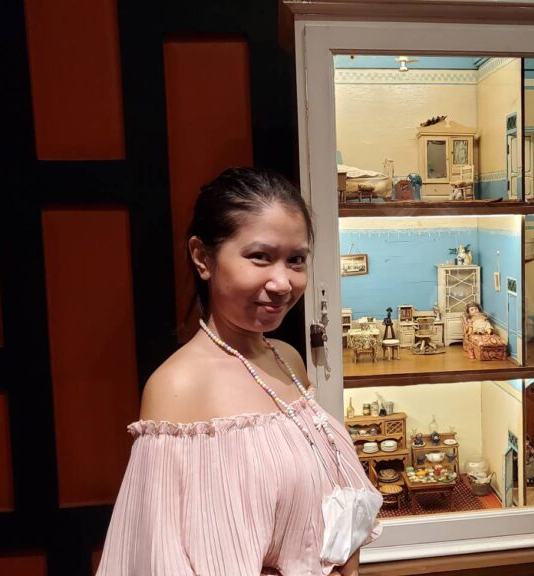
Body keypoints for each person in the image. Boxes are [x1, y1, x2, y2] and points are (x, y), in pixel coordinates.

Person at [96, 168, 380, 576]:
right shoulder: (178, 386)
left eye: (296, 260)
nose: (282, 282)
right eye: (260, 257)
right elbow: (161, 556)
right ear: (202, 257)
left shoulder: (287, 359)